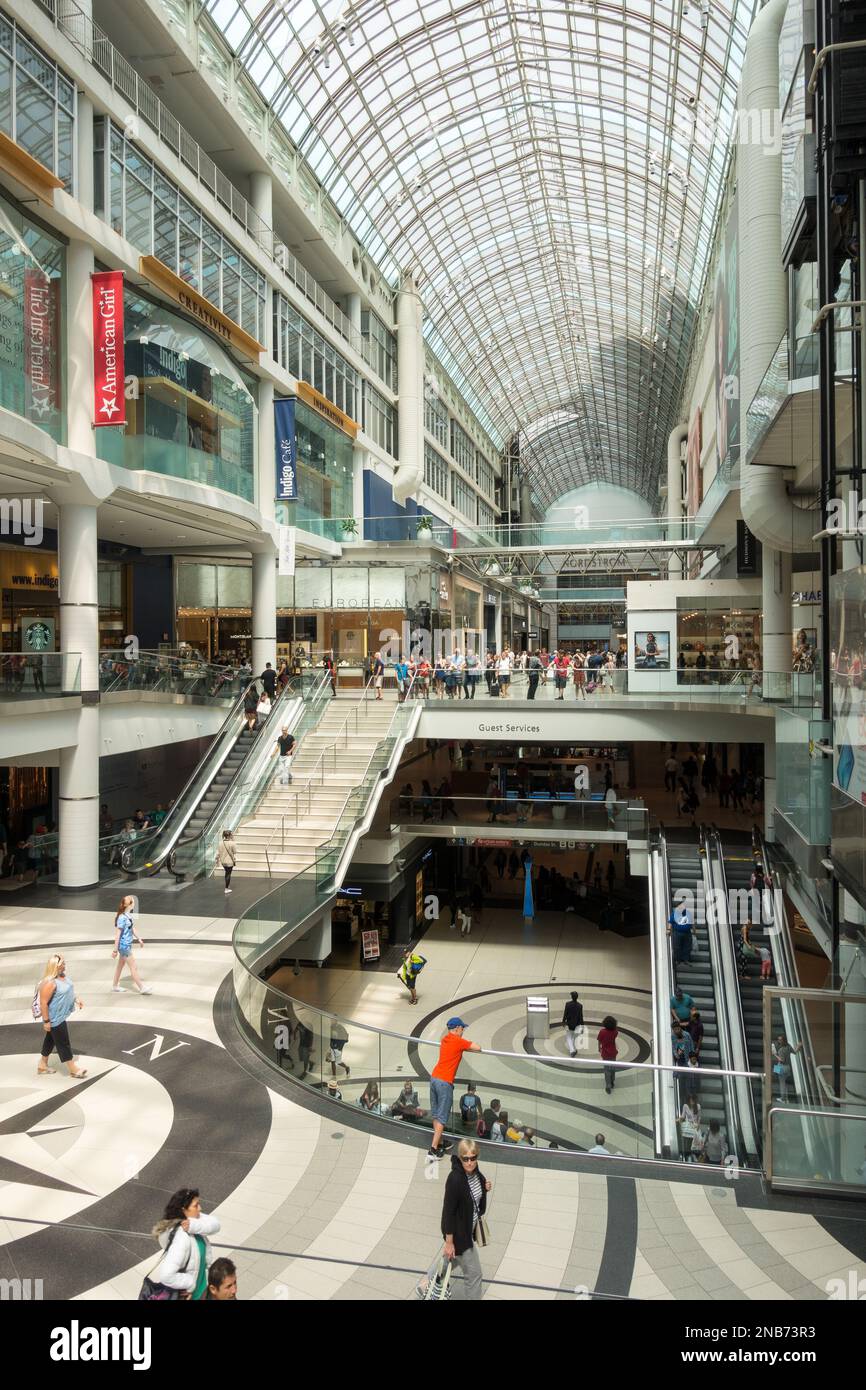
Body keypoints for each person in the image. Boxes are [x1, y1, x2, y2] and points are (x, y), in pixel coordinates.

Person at [440, 1139, 491, 1301]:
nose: (470, 1162)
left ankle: (426, 1283)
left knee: (450, 1260)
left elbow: (474, 1195)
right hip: (460, 1235)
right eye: (465, 1159)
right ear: (460, 1157)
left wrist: (485, 1187)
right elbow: (448, 1212)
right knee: (475, 1275)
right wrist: (449, 1242)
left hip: (468, 1229)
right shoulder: (455, 1179)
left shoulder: (475, 1172)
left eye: (473, 1158)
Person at [151, 1188, 221, 1300]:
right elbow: (166, 1275)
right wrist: (189, 1284)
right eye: (196, 1205)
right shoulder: (182, 1238)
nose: (200, 1208)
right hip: (194, 1296)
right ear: (184, 1210)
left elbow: (216, 1224)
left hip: (203, 1289)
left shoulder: (193, 1222)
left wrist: (193, 1225)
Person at [428, 1017, 482, 1160]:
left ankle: (439, 1143)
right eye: (462, 1028)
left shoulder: (445, 1039)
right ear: (457, 1028)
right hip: (445, 1082)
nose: (463, 1030)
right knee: (442, 1116)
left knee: (436, 1113)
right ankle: (433, 1149)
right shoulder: (458, 1041)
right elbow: (478, 1047)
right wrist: (465, 1045)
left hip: (434, 1078)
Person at [36, 953, 87, 1078]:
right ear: (56, 966)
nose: (65, 965)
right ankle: (73, 1069)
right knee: (63, 1042)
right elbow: (43, 1003)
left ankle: (42, 1064)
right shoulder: (50, 983)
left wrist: (76, 999)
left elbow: (68, 991)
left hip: (61, 1015)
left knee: (51, 1039)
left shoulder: (62, 976)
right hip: (54, 1018)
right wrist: (46, 1021)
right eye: (62, 963)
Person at [111, 895, 152, 994]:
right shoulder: (121, 918)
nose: (134, 904)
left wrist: (139, 938)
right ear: (129, 905)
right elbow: (118, 935)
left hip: (127, 945)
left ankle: (115, 985)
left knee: (120, 966)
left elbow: (132, 928)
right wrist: (115, 950)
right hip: (124, 946)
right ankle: (142, 988)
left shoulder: (128, 916)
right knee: (133, 966)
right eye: (133, 902)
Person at [771, 1034, 803, 1102]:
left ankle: (783, 1098)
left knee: (781, 1083)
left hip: (781, 1067)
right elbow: (794, 1052)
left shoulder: (781, 1050)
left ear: (783, 1040)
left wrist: (775, 1055)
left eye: (780, 1040)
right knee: (784, 1082)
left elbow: (781, 1060)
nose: (779, 1041)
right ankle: (786, 1097)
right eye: (778, 1039)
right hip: (787, 1067)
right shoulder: (788, 1046)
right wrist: (798, 1045)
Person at [597, 1014, 619, 1094]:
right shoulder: (615, 1032)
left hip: (605, 1053)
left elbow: (599, 1040)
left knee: (607, 1069)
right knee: (613, 1067)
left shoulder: (602, 1032)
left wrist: (599, 1048)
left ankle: (608, 1085)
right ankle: (612, 1081)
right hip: (613, 1052)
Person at [679, 1094, 703, 1161]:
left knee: (696, 1142)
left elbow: (699, 1117)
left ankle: (694, 1154)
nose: (692, 1101)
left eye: (693, 1100)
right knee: (689, 1142)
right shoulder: (685, 1106)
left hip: (695, 1126)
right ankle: (688, 1155)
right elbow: (683, 1116)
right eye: (691, 1100)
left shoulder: (698, 1106)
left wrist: (698, 1124)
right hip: (688, 1126)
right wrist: (679, 1120)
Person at [562, 990, 584, 1057]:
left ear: (571, 997)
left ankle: (572, 1051)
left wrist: (563, 1021)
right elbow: (581, 1016)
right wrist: (582, 1026)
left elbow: (565, 1014)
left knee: (569, 1037)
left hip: (569, 1024)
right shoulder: (580, 1006)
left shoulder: (568, 1004)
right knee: (573, 1037)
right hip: (576, 1024)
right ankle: (574, 1049)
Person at [217, 830, 236, 894]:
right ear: (229, 835)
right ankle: (226, 888)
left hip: (223, 861)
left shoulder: (220, 842)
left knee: (226, 873)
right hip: (229, 861)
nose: (232, 835)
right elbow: (235, 852)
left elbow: (219, 852)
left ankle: (227, 885)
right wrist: (233, 841)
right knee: (228, 874)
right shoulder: (232, 843)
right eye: (231, 834)